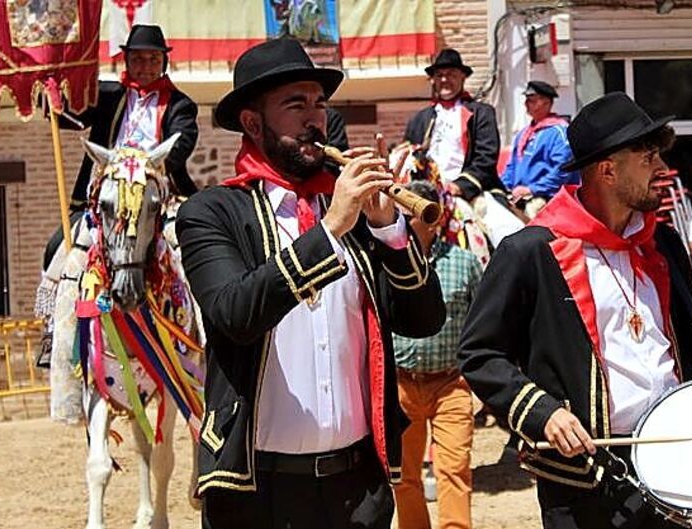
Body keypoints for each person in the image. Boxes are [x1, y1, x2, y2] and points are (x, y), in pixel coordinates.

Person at [175, 38, 446, 529]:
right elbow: (236, 314)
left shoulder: (355, 216)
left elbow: (424, 321)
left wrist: (388, 231)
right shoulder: (211, 213)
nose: (314, 119)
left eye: (319, 104)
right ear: (252, 124)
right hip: (257, 492)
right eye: (295, 104)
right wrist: (327, 233)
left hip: (357, 490)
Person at [459, 92, 692, 529]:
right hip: (586, 477)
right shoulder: (531, 251)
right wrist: (542, 412)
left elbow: (682, 344)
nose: (663, 169)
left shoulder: (662, 242)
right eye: (648, 158)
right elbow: (480, 354)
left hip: (677, 457)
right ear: (607, 170)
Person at [392, 180, 482, 529]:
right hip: (401, 383)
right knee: (405, 475)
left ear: (432, 216)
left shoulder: (465, 263)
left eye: (410, 212)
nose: (402, 218)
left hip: (451, 384)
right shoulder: (389, 264)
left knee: (454, 469)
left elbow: (482, 320)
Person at [61, 24, 199, 209]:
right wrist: (51, 93)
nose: (146, 66)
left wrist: (150, 166)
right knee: (62, 238)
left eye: (154, 59)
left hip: (158, 184)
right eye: (138, 59)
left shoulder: (180, 104)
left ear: (163, 62)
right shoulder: (105, 95)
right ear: (127, 61)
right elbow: (71, 113)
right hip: (106, 183)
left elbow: (182, 142)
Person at [404, 48, 523, 245]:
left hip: (470, 191)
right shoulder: (419, 119)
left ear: (463, 78)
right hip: (426, 193)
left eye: (451, 74)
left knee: (508, 232)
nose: (444, 80)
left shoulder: (481, 113)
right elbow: (410, 158)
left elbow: (485, 158)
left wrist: (459, 186)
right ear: (433, 79)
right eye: (439, 75)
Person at [501, 81, 577, 215]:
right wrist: (502, 188)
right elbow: (511, 166)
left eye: (531, 101)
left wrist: (532, 189)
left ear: (546, 103)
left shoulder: (559, 132)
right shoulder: (524, 133)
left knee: (533, 211)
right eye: (527, 100)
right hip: (519, 195)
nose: (526, 104)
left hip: (547, 197)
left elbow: (563, 170)